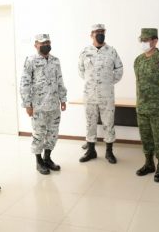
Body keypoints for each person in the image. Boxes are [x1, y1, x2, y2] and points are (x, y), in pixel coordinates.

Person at [20, 34, 67, 175]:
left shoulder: (55, 61)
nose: (45, 45)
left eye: (47, 42)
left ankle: (48, 158)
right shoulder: (30, 60)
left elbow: (60, 81)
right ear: (36, 45)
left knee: (52, 133)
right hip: (38, 106)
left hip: (54, 105)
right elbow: (25, 83)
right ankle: (39, 161)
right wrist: (27, 104)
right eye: (42, 43)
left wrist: (63, 99)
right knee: (39, 135)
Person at [134, 28, 159, 182]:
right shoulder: (138, 60)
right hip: (142, 107)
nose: (143, 43)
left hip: (158, 108)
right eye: (142, 40)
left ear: (155, 41)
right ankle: (149, 163)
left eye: (146, 40)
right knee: (145, 136)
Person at [78, 24, 123, 164]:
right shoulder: (85, 52)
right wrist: (92, 84)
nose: (100, 34)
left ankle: (109, 152)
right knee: (90, 122)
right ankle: (91, 150)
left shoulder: (112, 51)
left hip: (107, 94)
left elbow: (119, 70)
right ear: (91, 34)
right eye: (97, 32)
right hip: (89, 94)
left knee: (108, 123)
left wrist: (107, 83)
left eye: (102, 31)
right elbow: (81, 71)